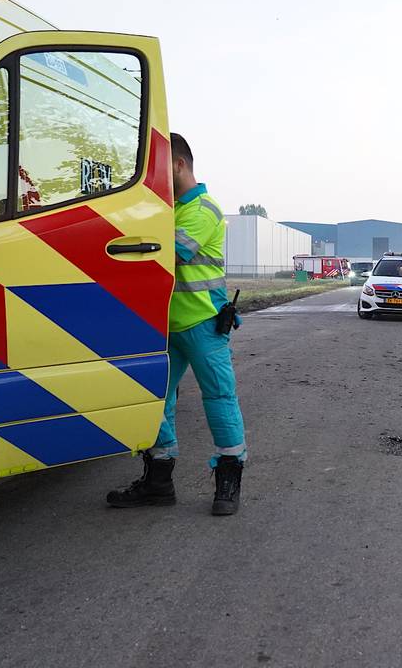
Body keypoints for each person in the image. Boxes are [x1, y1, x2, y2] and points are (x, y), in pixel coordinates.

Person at [107, 133, 248, 516]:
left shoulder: (204, 210)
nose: (153, 178)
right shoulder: (166, 209)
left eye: (159, 168)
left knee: (219, 399)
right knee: (157, 403)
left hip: (203, 324)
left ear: (180, 165)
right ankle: (158, 483)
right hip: (163, 326)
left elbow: (165, 253)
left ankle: (228, 482)